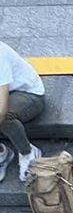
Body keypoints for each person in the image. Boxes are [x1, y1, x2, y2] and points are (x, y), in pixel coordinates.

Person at [0, 41, 44, 182]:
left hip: (29, 95)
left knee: (4, 117)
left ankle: (28, 152)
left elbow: (2, 109)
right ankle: (2, 154)